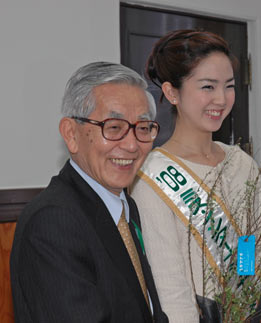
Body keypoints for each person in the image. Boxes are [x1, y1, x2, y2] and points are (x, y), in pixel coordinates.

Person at [131, 29, 261, 323]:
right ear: (171, 92)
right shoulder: (149, 176)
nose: (221, 99)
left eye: (229, 86)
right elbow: (170, 287)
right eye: (208, 86)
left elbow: (256, 245)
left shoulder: (239, 163)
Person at [10, 62, 169, 323]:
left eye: (142, 128)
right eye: (114, 127)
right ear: (71, 134)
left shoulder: (124, 205)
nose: (131, 145)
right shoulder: (53, 222)